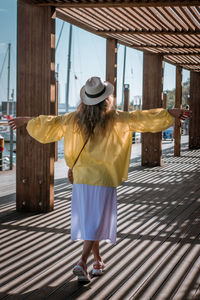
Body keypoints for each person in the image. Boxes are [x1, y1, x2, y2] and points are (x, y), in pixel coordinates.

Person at [8, 76, 190, 283]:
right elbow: (141, 118)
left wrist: (25, 121)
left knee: (90, 220)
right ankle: (82, 261)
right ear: (106, 99)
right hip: (103, 178)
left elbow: (51, 123)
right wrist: (169, 113)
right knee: (95, 221)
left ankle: (98, 260)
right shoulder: (116, 118)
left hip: (82, 177)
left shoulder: (74, 119)